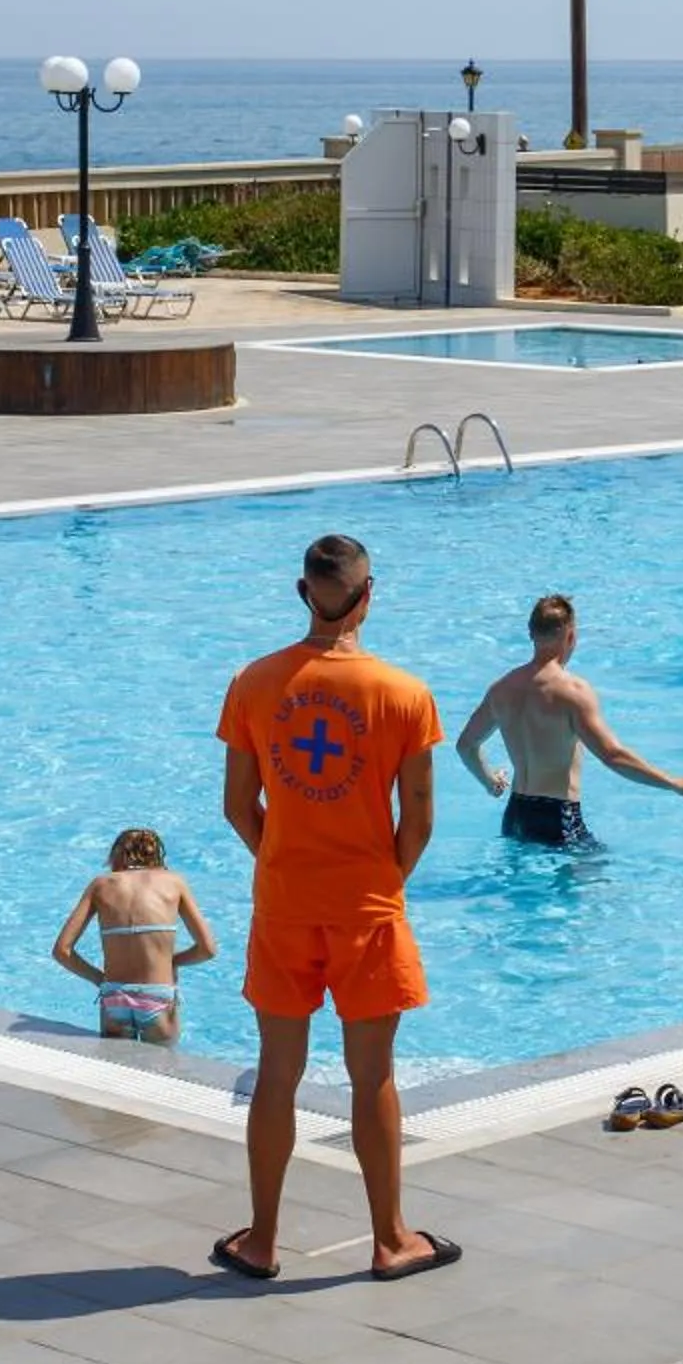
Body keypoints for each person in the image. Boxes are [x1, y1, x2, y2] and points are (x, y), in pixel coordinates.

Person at [212, 533, 456, 1284]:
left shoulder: (254, 682)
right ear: (368, 594)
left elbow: (237, 806)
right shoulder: (403, 693)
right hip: (367, 908)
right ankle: (390, 1240)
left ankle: (261, 1242)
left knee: (276, 1073)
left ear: (302, 593)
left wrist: (286, 864)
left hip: (285, 905)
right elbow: (419, 819)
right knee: (372, 1076)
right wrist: (382, 880)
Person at [457, 595, 683, 846]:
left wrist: (490, 782)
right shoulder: (572, 691)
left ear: (531, 634)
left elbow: (466, 745)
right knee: (597, 876)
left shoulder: (501, 689)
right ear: (571, 636)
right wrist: (674, 783)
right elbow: (613, 755)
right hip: (558, 819)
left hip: (515, 817)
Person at [49, 827, 216, 1044]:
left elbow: (62, 951)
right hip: (158, 996)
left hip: (114, 996)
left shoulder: (101, 885)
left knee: (113, 1064)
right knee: (161, 1064)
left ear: (116, 855)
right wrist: (172, 961)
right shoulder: (174, 882)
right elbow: (207, 949)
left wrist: (99, 979)